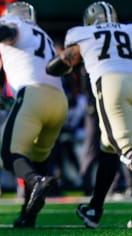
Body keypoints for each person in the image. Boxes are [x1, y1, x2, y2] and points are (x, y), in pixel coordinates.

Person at [0, 1, 68, 228]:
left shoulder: (10, 24)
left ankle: (34, 181)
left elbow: (2, 33)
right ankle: (28, 215)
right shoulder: (42, 34)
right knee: (38, 159)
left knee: (8, 154)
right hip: (59, 100)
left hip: (33, 96)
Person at [46, 1, 132, 229]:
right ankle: (95, 208)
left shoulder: (80, 32)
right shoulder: (129, 29)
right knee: (108, 148)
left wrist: (53, 67)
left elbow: (66, 61)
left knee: (125, 148)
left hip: (111, 83)